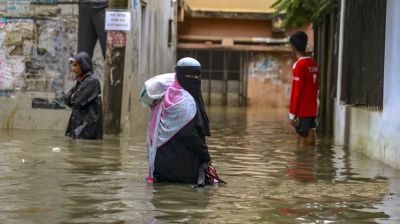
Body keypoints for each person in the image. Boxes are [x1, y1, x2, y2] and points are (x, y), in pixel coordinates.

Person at [140, 57, 214, 186]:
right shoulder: (183, 101)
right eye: (189, 75)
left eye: (197, 75)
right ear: (179, 75)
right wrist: (205, 155)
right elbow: (189, 135)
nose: (194, 79)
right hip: (179, 167)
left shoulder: (167, 95)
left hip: (161, 161)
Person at [288, 31, 319, 148]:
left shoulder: (298, 65)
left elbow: (296, 92)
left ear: (293, 47)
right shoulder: (313, 63)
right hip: (312, 110)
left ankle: (300, 164)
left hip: (301, 112)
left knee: (300, 137)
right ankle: (310, 164)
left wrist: (292, 115)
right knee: (311, 138)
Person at [65, 51, 103, 139]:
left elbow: (76, 101)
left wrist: (73, 96)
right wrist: (73, 96)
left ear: (83, 65)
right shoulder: (81, 81)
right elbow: (67, 99)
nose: (73, 69)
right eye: (73, 65)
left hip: (86, 132)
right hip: (78, 130)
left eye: (75, 65)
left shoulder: (92, 81)